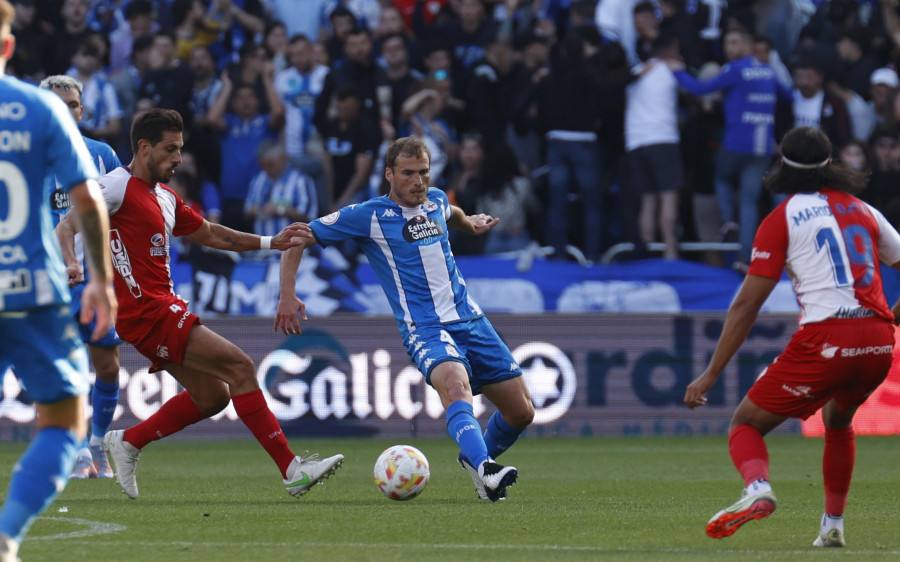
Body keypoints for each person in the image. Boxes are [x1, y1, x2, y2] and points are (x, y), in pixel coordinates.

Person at [57, 108, 343, 501]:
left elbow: (212, 234)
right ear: (144, 148)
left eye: (181, 149)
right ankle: (293, 470)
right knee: (241, 366)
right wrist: (73, 262)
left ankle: (128, 442)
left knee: (213, 397)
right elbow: (67, 224)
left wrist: (270, 243)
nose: (179, 158)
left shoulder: (165, 197)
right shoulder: (115, 186)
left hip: (160, 308)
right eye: (170, 149)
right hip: (147, 312)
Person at [275, 136, 535, 502]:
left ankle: (475, 459)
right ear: (389, 175)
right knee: (456, 388)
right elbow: (297, 237)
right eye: (409, 173)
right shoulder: (368, 215)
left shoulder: (438, 201)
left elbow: (452, 215)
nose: (418, 181)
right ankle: (486, 469)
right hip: (425, 328)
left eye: (424, 173)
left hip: (471, 319)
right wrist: (287, 294)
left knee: (521, 412)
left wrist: (470, 224)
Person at [685, 127, 900, 547]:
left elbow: (747, 306)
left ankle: (757, 489)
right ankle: (832, 526)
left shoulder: (781, 219)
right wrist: (893, 317)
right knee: (839, 419)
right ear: (831, 164)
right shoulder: (864, 210)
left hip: (827, 339)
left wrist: (710, 374)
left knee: (745, 424)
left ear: (782, 166)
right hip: (878, 341)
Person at [0, 2, 117, 560]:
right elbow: (89, 198)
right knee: (65, 420)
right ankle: (7, 535)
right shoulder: (37, 110)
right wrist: (100, 276)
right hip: (36, 290)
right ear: (8, 48)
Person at [38, 74, 123, 481]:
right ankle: (73, 454)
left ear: (82, 110)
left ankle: (97, 444)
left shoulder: (102, 155)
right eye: (57, 104)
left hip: (94, 282)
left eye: (73, 104)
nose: (67, 111)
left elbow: (120, 213)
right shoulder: (21, 158)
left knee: (107, 367)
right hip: (46, 283)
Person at [668, 28, 792, 271]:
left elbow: (699, 89)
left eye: (733, 43)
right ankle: (745, 258)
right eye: (726, 43)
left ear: (747, 46)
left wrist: (678, 72)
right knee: (748, 201)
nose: (728, 48)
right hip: (761, 148)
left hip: (736, 144)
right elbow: (788, 96)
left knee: (722, 178)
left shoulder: (735, 70)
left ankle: (727, 222)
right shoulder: (768, 71)